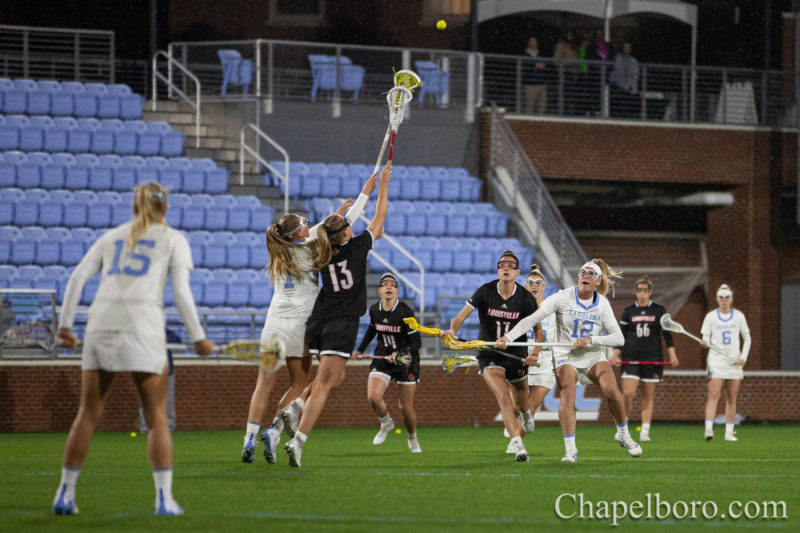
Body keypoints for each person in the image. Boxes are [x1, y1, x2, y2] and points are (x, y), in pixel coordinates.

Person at [53, 182, 215, 516]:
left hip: (100, 324)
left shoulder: (112, 237)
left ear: (134, 206)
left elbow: (77, 278)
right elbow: (181, 294)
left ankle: (65, 494)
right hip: (143, 326)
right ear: (165, 209)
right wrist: (198, 336)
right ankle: (163, 499)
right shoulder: (173, 239)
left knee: (87, 414)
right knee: (156, 417)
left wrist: (65, 326)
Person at [242, 175, 378, 464]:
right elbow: (339, 230)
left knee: (262, 386)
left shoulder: (279, 250)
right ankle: (276, 429)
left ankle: (249, 439)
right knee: (303, 383)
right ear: (299, 234)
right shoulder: (310, 248)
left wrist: (339, 212)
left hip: (272, 323)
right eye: (303, 224)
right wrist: (365, 192)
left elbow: (333, 225)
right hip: (299, 325)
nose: (307, 225)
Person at [283, 162, 392, 467]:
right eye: (347, 225)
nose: (351, 225)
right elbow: (380, 218)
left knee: (335, 377)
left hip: (317, 323)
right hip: (341, 324)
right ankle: (298, 439)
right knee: (323, 387)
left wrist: (352, 204)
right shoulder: (357, 247)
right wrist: (381, 186)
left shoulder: (319, 250)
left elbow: (323, 230)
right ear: (345, 233)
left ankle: (297, 407)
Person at [496, 259, 642, 463]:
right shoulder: (562, 297)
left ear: (598, 281)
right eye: (583, 272)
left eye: (591, 274)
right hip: (566, 356)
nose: (585, 276)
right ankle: (570, 450)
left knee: (613, 392)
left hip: (593, 354)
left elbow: (619, 339)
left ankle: (623, 434)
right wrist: (508, 338)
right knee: (568, 395)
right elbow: (532, 319)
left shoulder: (603, 304)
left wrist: (591, 339)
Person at [442, 250, 541, 462]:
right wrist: (452, 330)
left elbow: (539, 331)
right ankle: (517, 443)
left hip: (516, 354)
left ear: (517, 272)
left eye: (510, 265)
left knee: (521, 402)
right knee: (503, 396)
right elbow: (460, 317)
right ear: (498, 270)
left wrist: (534, 353)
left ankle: (525, 415)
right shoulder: (485, 291)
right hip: (489, 353)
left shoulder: (525, 298)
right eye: (502, 264)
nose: (506, 267)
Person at [352, 272, 422, 452]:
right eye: (385, 284)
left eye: (393, 284)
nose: (389, 286)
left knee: (405, 407)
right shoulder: (374, 309)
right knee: (373, 397)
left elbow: (416, 343)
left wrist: (399, 353)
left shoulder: (406, 311)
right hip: (383, 357)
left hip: (406, 360)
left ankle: (412, 437)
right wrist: (360, 349)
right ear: (380, 290)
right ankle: (386, 423)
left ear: (397, 290)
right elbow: (371, 331)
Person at [609, 276, 679, 442]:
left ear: (650, 292)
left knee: (648, 395)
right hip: (631, 358)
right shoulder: (628, 311)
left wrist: (673, 354)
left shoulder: (659, 310)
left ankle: (645, 431)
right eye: (639, 290)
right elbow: (622, 336)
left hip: (652, 359)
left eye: (645, 290)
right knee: (628, 394)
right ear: (635, 292)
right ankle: (623, 429)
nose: (642, 293)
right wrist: (615, 354)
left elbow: (667, 335)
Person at [701, 284, 751, 442]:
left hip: (734, 362)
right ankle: (709, 429)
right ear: (717, 299)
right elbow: (706, 338)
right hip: (716, 361)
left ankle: (729, 432)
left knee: (732, 396)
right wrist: (705, 342)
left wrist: (743, 357)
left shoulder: (739, 316)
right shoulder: (710, 317)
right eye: (721, 297)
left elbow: (747, 338)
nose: (724, 300)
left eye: (727, 297)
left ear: (731, 299)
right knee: (713, 394)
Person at [523, 263, 558, 434]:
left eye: (538, 283)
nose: (534, 286)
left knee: (531, 406)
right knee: (517, 406)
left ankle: (516, 442)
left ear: (544, 286)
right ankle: (517, 433)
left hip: (544, 362)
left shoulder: (551, 310)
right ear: (525, 285)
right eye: (531, 282)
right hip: (520, 360)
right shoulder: (517, 308)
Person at [610, 41, 639, 118]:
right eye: (625, 47)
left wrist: (630, 85)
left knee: (628, 109)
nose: (627, 49)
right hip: (619, 87)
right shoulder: (617, 58)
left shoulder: (633, 61)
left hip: (629, 88)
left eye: (628, 47)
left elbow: (635, 75)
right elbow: (616, 72)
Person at [522, 36, 548, 114]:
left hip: (541, 83)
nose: (534, 43)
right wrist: (534, 65)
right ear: (528, 43)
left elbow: (545, 65)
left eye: (535, 42)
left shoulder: (541, 54)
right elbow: (524, 67)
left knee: (542, 104)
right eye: (531, 41)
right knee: (529, 106)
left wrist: (543, 65)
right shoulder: (524, 54)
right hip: (529, 84)